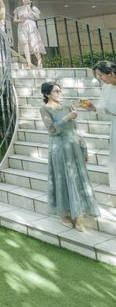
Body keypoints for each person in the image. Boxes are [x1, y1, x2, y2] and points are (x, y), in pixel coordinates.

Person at [39, 82, 99, 231]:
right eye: (56, 91)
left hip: (74, 146)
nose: (60, 93)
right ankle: (65, 214)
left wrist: (84, 147)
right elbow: (52, 130)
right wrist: (66, 118)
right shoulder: (44, 109)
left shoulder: (67, 107)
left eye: (60, 91)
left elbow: (76, 129)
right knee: (63, 179)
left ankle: (79, 214)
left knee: (77, 178)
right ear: (47, 94)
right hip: (59, 148)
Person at [92, 60, 116, 191]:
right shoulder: (105, 88)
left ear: (111, 73)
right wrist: (94, 108)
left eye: (101, 75)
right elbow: (106, 109)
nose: (99, 78)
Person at [13, 0, 46, 68]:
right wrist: (20, 20)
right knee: (25, 44)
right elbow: (15, 19)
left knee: (34, 43)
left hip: (31, 26)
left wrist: (30, 9)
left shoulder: (34, 8)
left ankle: (39, 60)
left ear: (30, 1)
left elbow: (37, 17)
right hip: (21, 27)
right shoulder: (18, 9)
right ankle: (29, 64)